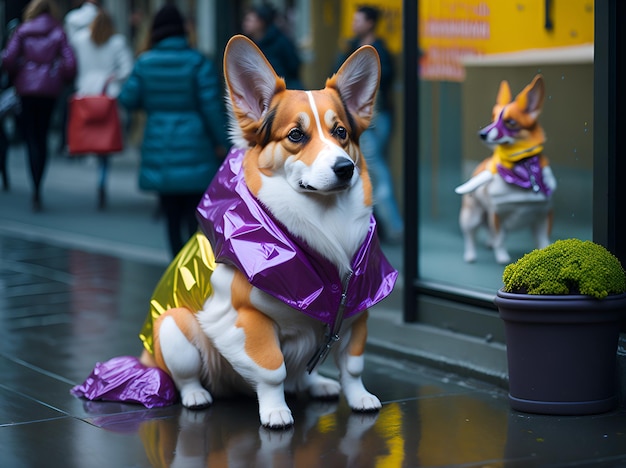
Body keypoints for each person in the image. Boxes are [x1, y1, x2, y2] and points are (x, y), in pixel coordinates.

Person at [118, 4, 229, 258]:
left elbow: (127, 99)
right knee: (195, 218)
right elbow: (211, 108)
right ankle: (192, 272)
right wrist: (223, 143)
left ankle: (174, 269)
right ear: (182, 30)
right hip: (196, 148)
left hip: (160, 150)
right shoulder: (197, 61)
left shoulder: (144, 63)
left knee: (170, 217)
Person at [334, 5, 404, 243]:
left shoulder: (379, 51)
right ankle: (382, 225)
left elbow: (383, 83)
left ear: (370, 23)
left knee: (375, 170)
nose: (354, 23)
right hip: (361, 120)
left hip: (374, 120)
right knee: (370, 169)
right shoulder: (352, 47)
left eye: (359, 19)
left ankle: (394, 225)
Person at [1, 0, 76, 211]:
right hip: (49, 91)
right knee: (42, 137)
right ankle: (38, 185)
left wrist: (21, 70)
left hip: (26, 90)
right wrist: (55, 73)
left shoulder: (22, 31)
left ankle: (34, 182)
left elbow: (7, 59)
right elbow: (70, 64)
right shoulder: (58, 32)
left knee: (30, 137)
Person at [69, 7, 133, 210]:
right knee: (106, 140)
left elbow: (72, 64)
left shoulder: (79, 39)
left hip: (85, 94)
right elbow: (127, 69)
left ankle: (94, 167)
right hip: (108, 96)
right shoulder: (117, 42)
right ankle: (102, 179)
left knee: (90, 136)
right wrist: (111, 78)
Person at [241, 3, 303, 89]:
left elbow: (293, 65)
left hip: (284, 90)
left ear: (260, 22)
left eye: (249, 20)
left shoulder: (280, 41)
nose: (245, 23)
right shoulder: (250, 44)